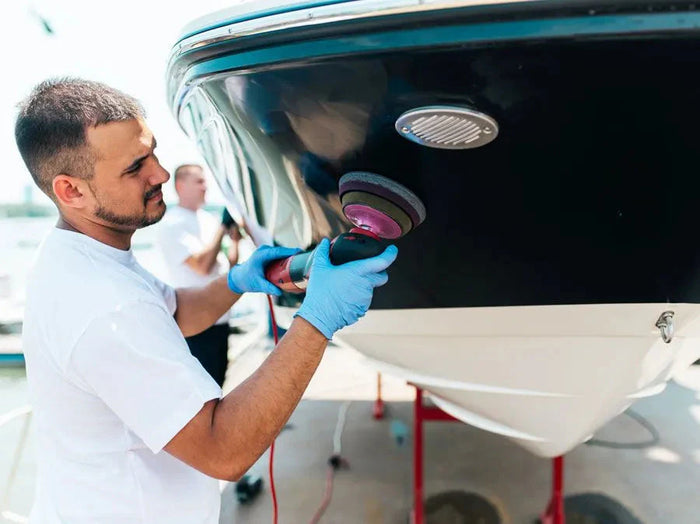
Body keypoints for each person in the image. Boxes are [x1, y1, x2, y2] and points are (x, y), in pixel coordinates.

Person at [15, 78, 397, 524]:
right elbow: (223, 450)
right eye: (135, 166)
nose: (160, 173)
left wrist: (239, 280)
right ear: (71, 191)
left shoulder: (77, 255)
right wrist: (316, 322)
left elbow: (174, 312)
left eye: (152, 150)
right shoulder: (103, 307)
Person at [156, 164, 239, 387]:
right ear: (180, 186)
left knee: (218, 383)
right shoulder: (172, 224)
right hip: (198, 321)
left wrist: (234, 239)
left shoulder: (207, 219)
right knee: (204, 390)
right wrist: (222, 227)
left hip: (221, 316)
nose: (205, 187)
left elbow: (228, 264)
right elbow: (202, 266)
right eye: (199, 181)